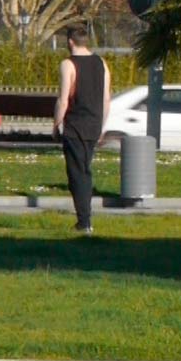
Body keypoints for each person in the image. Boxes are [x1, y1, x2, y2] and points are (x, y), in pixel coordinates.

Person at [53, 25, 111, 234]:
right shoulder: (101, 63)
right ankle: (85, 219)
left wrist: (56, 123)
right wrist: (102, 126)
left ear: (70, 42)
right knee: (85, 168)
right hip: (94, 124)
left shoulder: (68, 64)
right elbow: (106, 98)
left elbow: (63, 99)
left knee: (77, 173)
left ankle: (84, 221)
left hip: (75, 124)